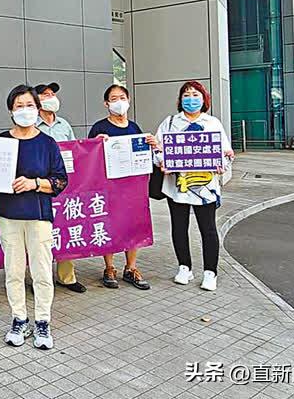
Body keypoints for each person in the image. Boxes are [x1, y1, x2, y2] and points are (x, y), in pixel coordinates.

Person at [0, 85, 68, 350]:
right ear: (10, 111)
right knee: (13, 271)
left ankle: (43, 321)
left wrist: (35, 183)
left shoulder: (47, 143)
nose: (25, 111)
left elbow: (60, 181)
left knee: (42, 270)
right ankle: (19, 319)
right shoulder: (1, 142)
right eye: (19, 106)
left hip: (38, 215)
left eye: (29, 105)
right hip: (9, 215)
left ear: (37, 108)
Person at [155, 81, 235, 291]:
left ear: (204, 99)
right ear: (180, 100)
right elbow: (158, 150)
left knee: (208, 229)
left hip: (205, 188)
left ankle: (210, 272)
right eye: (186, 95)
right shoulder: (170, 122)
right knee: (179, 228)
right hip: (177, 187)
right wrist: (162, 161)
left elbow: (225, 153)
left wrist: (223, 164)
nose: (191, 99)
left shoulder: (212, 123)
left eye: (195, 94)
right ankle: (184, 267)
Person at [88, 84, 157, 290]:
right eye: (113, 99)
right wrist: (95, 144)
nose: (119, 102)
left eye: (122, 98)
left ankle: (131, 267)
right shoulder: (99, 128)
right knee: (108, 224)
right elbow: (88, 158)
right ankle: (109, 267)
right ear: (106, 103)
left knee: (133, 224)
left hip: (133, 187)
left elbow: (144, 157)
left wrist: (152, 144)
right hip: (109, 187)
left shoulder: (134, 128)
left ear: (128, 100)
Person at [34, 82, 86, 294]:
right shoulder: (31, 125)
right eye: (45, 94)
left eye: (52, 94)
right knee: (40, 234)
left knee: (65, 228)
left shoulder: (64, 124)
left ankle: (67, 277)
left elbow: (76, 150)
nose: (51, 97)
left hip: (63, 185)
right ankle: (40, 278)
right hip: (39, 184)